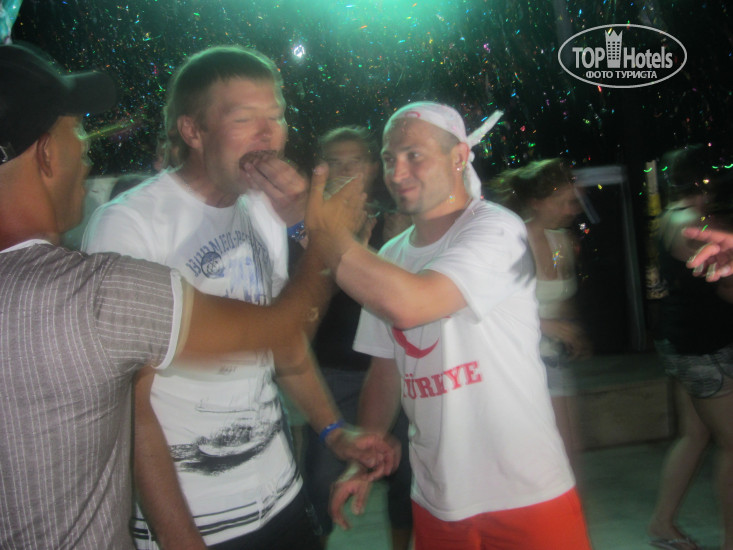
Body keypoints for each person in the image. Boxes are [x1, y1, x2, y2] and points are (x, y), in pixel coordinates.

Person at [0, 43, 393, 550]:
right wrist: (180, 538)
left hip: (281, 493)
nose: (268, 132)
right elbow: (131, 408)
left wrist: (333, 429)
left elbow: (282, 341)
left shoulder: (263, 210)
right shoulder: (130, 224)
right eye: (244, 118)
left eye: (276, 115)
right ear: (192, 130)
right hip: (199, 519)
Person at [306, 101, 591, 549]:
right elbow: (386, 368)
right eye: (388, 158)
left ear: (458, 156)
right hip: (437, 498)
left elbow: (412, 305)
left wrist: (322, 230)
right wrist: (367, 452)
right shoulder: (392, 255)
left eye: (414, 155)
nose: (397, 172)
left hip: (523, 493)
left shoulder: (497, 230)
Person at [297, 126, 413, 549]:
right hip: (333, 371)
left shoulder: (401, 221)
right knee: (320, 481)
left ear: (372, 167)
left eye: (355, 161)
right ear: (321, 168)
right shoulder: (306, 226)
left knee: (409, 481)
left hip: (396, 370)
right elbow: (297, 308)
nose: (345, 171)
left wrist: (390, 246)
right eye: (335, 162)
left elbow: (413, 299)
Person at [648, 146, 733, 550]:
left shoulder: (672, 217)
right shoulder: (691, 225)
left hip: (684, 339)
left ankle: (662, 524)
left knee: (695, 436)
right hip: (704, 347)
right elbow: (728, 289)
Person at [489, 158, 590, 470]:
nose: (571, 210)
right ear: (535, 202)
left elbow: (561, 298)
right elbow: (492, 306)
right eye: (562, 202)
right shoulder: (512, 241)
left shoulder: (561, 240)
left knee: (569, 451)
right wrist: (548, 325)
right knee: (555, 454)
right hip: (520, 360)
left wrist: (572, 331)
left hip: (553, 357)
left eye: (573, 202)